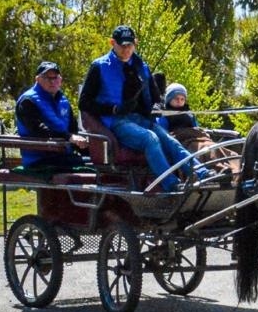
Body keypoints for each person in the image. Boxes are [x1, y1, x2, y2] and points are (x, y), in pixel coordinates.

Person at [78, 25, 209, 191]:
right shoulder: (99, 66)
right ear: (112, 43)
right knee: (150, 139)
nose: (126, 49)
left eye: (130, 45)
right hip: (116, 122)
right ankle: (172, 185)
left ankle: (203, 174)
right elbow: (84, 103)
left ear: (135, 43)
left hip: (141, 119)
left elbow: (156, 98)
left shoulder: (142, 67)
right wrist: (114, 109)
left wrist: (154, 107)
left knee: (170, 141)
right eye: (122, 45)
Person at [13, 61, 88, 170]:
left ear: (60, 80)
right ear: (37, 79)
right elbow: (39, 130)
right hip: (39, 159)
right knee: (90, 168)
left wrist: (85, 144)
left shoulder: (63, 101)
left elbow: (73, 129)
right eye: (47, 78)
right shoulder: (28, 101)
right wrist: (69, 137)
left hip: (63, 155)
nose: (52, 81)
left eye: (55, 78)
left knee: (101, 161)